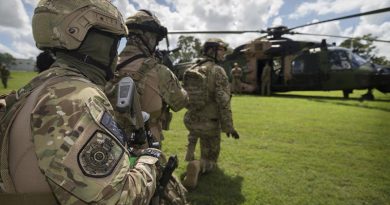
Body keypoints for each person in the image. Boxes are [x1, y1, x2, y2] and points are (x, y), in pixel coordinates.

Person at [0, 1, 163, 204]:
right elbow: (116, 199)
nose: (116, 55)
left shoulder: (37, 87)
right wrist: (149, 159)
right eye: (114, 44)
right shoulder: (77, 99)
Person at [115, 10, 188, 145]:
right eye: (155, 38)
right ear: (148, 37)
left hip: (110, 143)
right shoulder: (159, 71)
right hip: (145, 147)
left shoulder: (107, 66)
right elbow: (181, 102)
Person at [182, 38, 239, 189]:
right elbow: (224, 102)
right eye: (221, 50)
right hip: (209, 124)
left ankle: (190, 152)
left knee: (196, 131)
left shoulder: (192, 67)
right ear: (211, 51)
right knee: (211, 159)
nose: (224, 53)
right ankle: (199, 164)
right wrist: (229, 127)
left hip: (190, 120)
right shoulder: (217, 70)